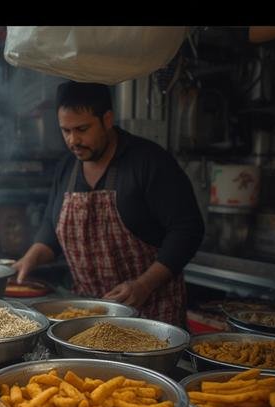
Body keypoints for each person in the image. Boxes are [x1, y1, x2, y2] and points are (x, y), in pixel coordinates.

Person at [13, 81, 204, 327]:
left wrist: (144, 284)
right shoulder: (67, 168)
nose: (73, 141)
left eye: (82, 129)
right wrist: (30, 259)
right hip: (88, 316)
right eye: (66, 131)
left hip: (150, 314)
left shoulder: (148, 162)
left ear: (108, 119)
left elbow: (187, 230)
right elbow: (52, 228)